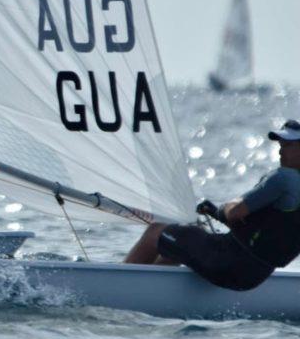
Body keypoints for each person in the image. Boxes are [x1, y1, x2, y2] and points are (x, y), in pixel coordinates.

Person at [124, 119, 300, 290]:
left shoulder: (284, 178)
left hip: (228, 262)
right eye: (281, 145)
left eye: (289, 146)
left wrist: (225, 209)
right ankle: (151, 292)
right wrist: (216, 213)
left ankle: (122, 289)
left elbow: (233, 213)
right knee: (180, 243)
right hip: (254, 277)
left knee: (156, 232)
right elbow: (266, 233)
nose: (280, 152)